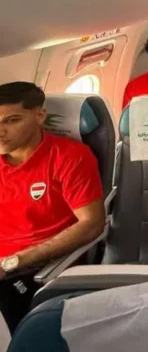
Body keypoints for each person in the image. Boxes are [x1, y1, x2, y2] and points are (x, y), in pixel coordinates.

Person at [0, 82, 105, 332]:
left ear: (40, 116)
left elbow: (92, 224)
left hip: (42, 267)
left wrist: (15, 261)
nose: (1, 131)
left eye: (11, 120)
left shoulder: (70, 157)